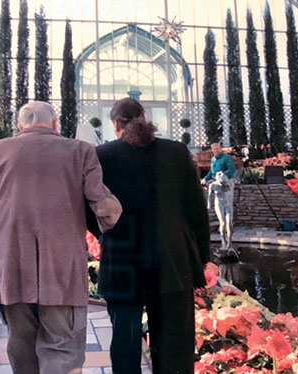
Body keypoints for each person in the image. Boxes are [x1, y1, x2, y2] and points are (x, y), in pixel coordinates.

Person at [0, 101, 122, 374]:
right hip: (62, 270)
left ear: (19, 127)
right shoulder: (81, 151)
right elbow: (104, 207)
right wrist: (113, 217)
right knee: (63, 351)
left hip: (10, 269)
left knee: (22, 351)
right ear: (55, 123)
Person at [87, 98, 210, 374]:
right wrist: (203, 257)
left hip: (123, 259)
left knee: (125, 340)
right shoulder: (177, 152)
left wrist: (106, 234)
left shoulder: (102, 155)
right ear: (143, 118)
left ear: (116, 124)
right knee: (175, 343)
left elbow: (87, 205)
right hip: (171, 259)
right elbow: (196, 209)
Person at [201, 142, 236, 206]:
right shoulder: (213, 159)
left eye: (217, 149)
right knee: (218, 204)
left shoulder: (227, 158)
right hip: (217, 183)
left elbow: (231, 170)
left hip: (227, 182)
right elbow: (212, 171)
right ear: (212, 150)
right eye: (214, 149)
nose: (216, 150)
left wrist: (221, 175)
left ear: (220, 149)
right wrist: (205, 179)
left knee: (228, 204)